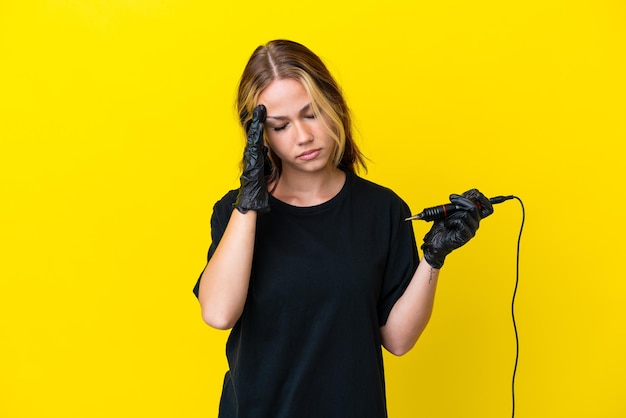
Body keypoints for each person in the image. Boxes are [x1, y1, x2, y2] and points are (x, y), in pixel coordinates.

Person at [193, 39, 493, 418]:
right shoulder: (235, 214)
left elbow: (398, 340)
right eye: (280, 126)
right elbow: (218, 314)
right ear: (260, 135)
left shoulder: (382, 209)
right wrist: (249, 202)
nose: (302, 137)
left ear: (334, 106)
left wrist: (432, 258)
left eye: (311, 114)